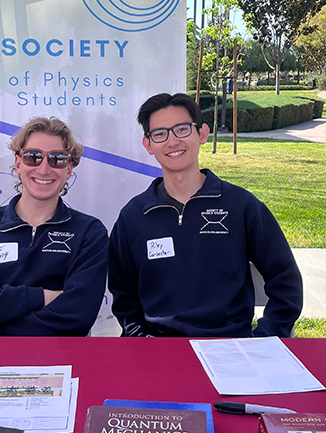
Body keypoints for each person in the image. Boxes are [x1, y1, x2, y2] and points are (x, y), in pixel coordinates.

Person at [108, 93, 302, 338]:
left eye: (182, 129)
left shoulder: (241, 206)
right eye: (160, 134)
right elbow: (123, 295)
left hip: (231, 347)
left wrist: (265, 338)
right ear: (148, 145)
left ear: (201, 134)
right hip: (158, 349)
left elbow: (285, 280)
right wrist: (141, 340)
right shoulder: (133, 216)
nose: (172, 141)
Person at [0, 116, 108, 336]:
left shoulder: (89, 232)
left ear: (68, 170)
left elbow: (77, 316)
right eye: (33, 157)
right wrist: (43, 297)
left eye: (57, 159)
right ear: (18, 164)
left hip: (58, 362)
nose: (43, 169)